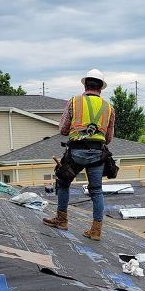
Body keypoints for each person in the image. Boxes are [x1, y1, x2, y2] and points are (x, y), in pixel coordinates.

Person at [43, 69, 115, 241]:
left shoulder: (74, 101)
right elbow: (109, 138)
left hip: (76, 152)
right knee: (96, 191)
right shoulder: (109, 108)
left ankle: (62, 220)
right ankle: (96, 231)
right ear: (101, 88)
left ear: (85, 84)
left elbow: (63, 130)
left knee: (63, 181)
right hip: (98, 154)